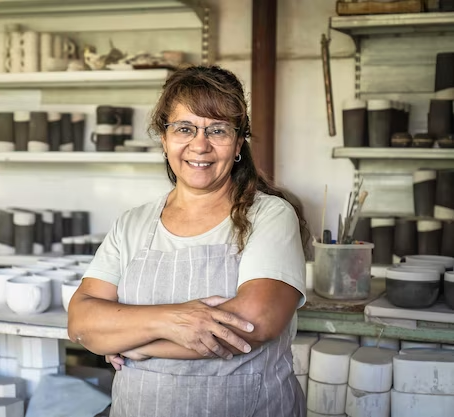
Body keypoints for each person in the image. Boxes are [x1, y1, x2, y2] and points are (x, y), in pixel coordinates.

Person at [68, 65, 308, 417]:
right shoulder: (133, 223)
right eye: (184, 128)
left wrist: (134, 341)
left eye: (218, 130)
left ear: (238, 143)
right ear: (164, 140)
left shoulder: (270, 215)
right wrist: (172, 322)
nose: (200, 144)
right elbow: (82, 322)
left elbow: (254, 323)